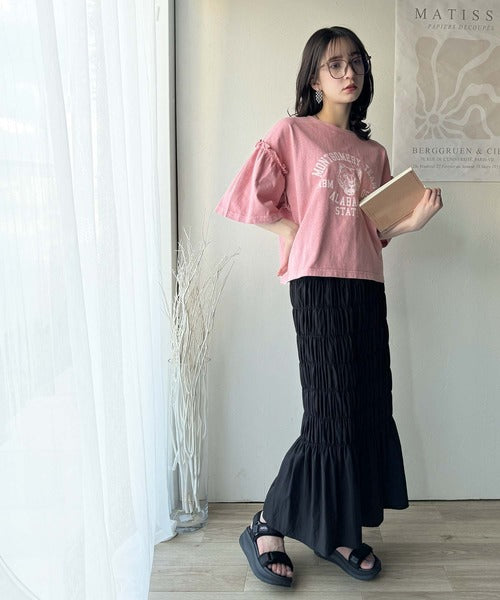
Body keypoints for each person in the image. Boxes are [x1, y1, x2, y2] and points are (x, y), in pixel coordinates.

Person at [215, 26, 443, 588]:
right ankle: (267, 523)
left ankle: (339, 530)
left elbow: (375, 229)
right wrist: (290, 229)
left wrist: (411, 223)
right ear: (314, 78)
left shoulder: (374, 153)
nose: (349, 73)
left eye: (356, 62)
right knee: (328, 414)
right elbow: (247, 196)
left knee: (364, 408)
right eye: (335, 64)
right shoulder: (292, 133)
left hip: (366, 284)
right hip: (317, 283)